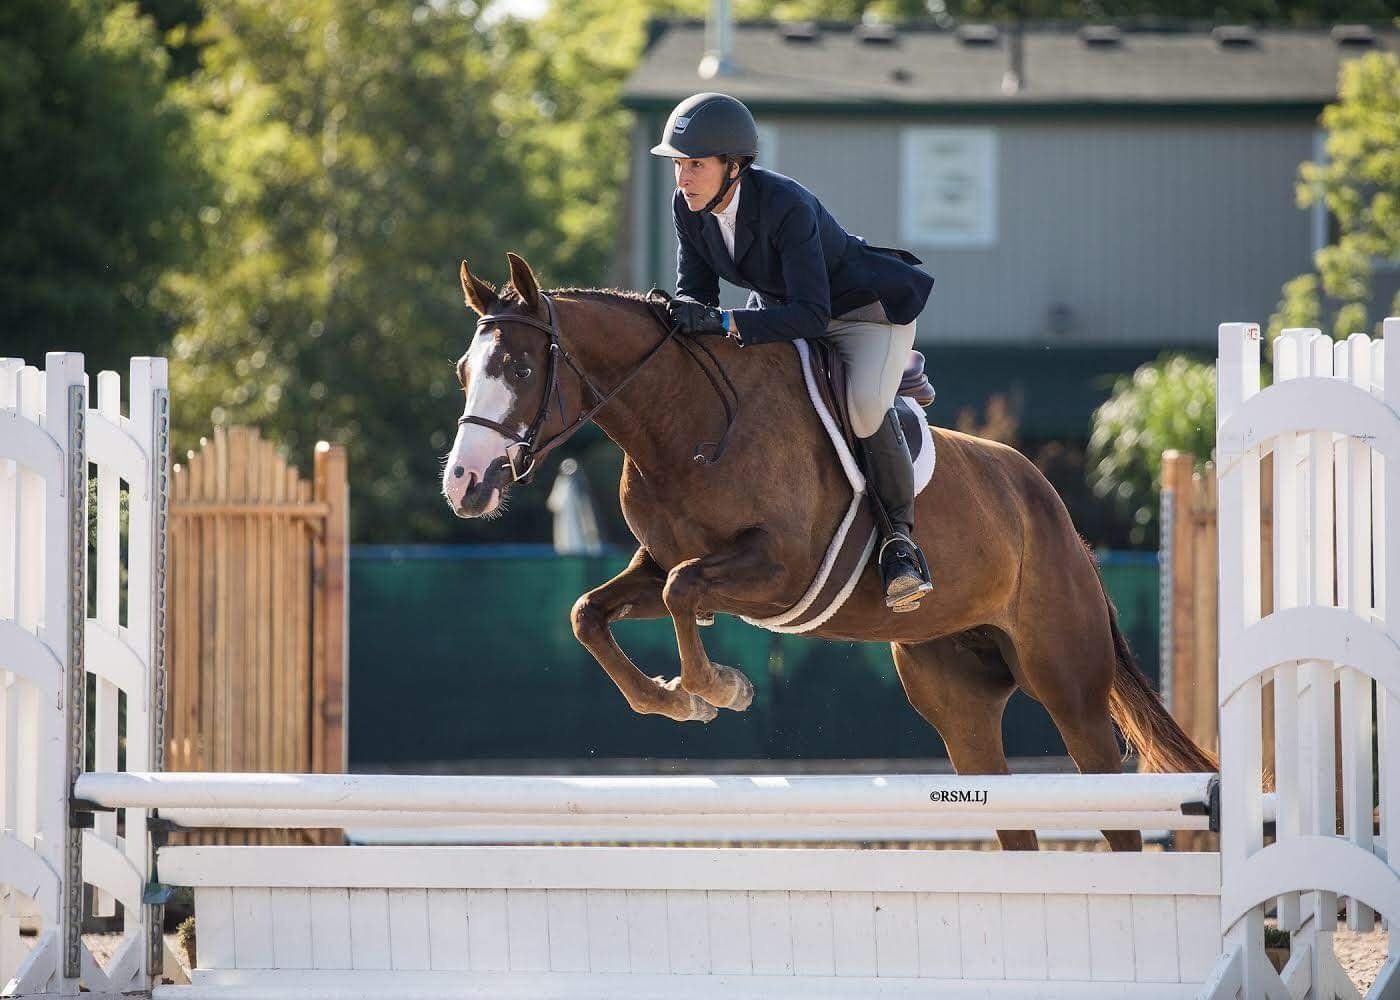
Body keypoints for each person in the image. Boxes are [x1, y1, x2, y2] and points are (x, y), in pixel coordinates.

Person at [651, 91, 936, 611]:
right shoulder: (686, 207)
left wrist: (723, 321)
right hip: (785, 309)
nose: (683, 177)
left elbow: (810, 313)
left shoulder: (786, 206)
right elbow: (698, 292)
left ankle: (901, 544)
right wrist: (683, 316)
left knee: (864, 408)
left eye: (695, 165)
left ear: (733, 167)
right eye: (678, 164)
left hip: (861, 316)